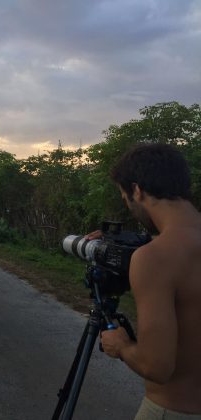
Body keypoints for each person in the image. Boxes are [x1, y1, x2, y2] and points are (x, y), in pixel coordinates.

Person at [95, 144, 201, 419]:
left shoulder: (154, 258)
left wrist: (121, 345)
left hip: (173, 410)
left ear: (137, 190)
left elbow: (157, 366)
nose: (129, 207)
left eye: (125, 198)